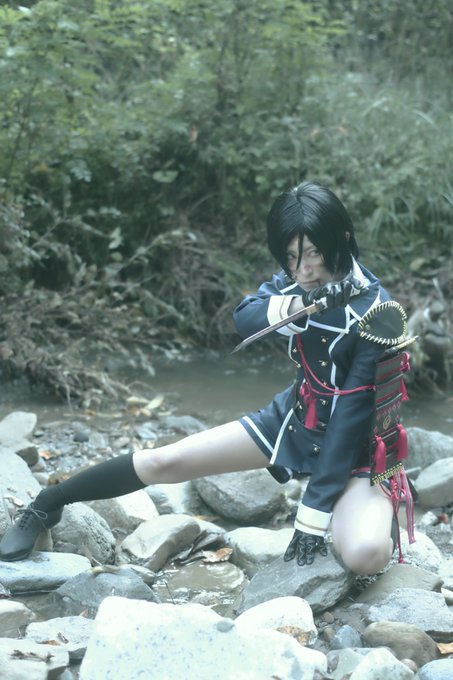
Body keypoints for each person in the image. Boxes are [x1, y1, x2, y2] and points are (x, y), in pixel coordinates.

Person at [0, 181, 413, 574]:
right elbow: (245, 317)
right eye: (291, 257)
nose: (302, 269)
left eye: (314, 254)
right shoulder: (300, 285)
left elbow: (348, 420)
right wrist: (302, 303)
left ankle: (375, 508)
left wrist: (311, 516)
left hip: (359, 452)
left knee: (365, 554)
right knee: (166, 460)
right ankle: (48, 502)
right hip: (295, 423)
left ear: (341, 239)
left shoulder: (379, 313)